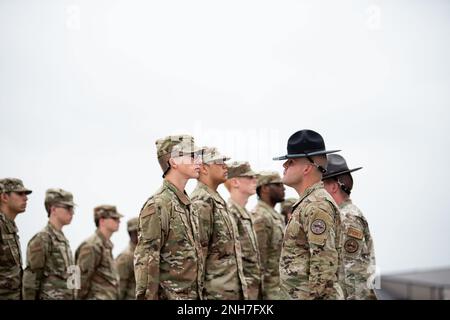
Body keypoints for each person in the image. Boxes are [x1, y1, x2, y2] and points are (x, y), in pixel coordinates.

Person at [273, 129, 344, 299]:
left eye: (290, 161)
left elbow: (323, 269)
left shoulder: (317, 205)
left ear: (306, 168)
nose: (284, 166)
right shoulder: (309, 203)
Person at [134, 135, 204, 300]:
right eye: (192, 155)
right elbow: (146, 264)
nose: (198, 160)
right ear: (173, 162)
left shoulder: (188, 205)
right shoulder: (158, 205)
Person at [191, 147, 247, 300]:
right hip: (214, 295)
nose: (225, 166)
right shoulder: (202, 201)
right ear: (203, 168)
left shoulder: (216, 199)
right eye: (219, 162)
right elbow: (197, 257)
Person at [322, 154, 377, 300]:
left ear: (333, 187)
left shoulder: (346, 218)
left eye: (321, 186)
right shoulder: (342, 215)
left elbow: (353, 273)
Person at [23, 188, 76, 300]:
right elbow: (31, 280)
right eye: (68, 208)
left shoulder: (63, 240)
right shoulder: (42, 238)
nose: (72, 212)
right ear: (53, 209)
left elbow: (71, 278)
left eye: (73, 208)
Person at [225, 161, 262, 300]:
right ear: (235, 182)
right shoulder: (230, 213)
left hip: (252, 289)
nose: (255, 181)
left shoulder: (245, 213)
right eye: (249, 177)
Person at [75, 205, 122, 299]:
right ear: (102, 221)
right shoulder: (91, 246)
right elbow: (80, 282)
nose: (119, 221)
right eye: (114, 218)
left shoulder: (106, 246)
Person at [251, 171, 285, 299]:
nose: (283, 188)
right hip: (269, 291)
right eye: (278, 184)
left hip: (279, 287)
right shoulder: (260, 217)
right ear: (265, 188)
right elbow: (259, 260)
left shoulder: (274, 215)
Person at [0, 178, 32, 300]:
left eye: (25, 194)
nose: (25, 198)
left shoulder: (10, 225)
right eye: (19, 193)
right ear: (4, 197)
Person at [116, 217, 139, 300]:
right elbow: (119, 290)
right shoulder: (125, 257)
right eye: (137, 232)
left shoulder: (146, 254)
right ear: (131, 234)